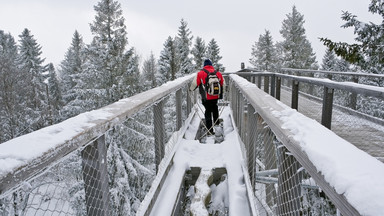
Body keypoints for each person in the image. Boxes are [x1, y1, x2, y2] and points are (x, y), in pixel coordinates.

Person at [190, 59, 225, 135]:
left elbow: (195, 84)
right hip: (215, 96)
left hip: (206, 97)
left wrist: (190, 89)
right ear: (211, 65)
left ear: (204, 65)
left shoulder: (200, 73)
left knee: (208, 110)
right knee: (215, 107)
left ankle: (210, 129)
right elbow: (222, 84)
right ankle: (216, 124)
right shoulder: (218, 73)